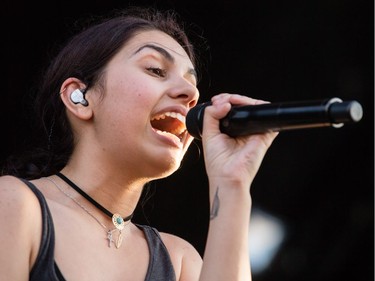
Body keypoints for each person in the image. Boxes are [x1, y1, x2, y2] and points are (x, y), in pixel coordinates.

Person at [0, 6, 278, 281]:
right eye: (156, 69)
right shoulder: (13, 204)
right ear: (80, 97)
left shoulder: (179, 261)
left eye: (192, 84)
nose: (191, 94)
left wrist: (232, 183)